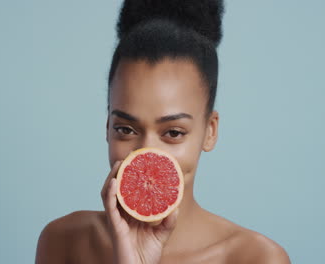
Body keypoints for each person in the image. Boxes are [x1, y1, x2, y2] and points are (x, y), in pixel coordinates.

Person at [35, 0, 291, 263]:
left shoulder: (257, 258)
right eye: (126, 129)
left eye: (173, 133)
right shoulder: (63, 241)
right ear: (107, 127)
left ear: (209, 132)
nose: (147, 153)